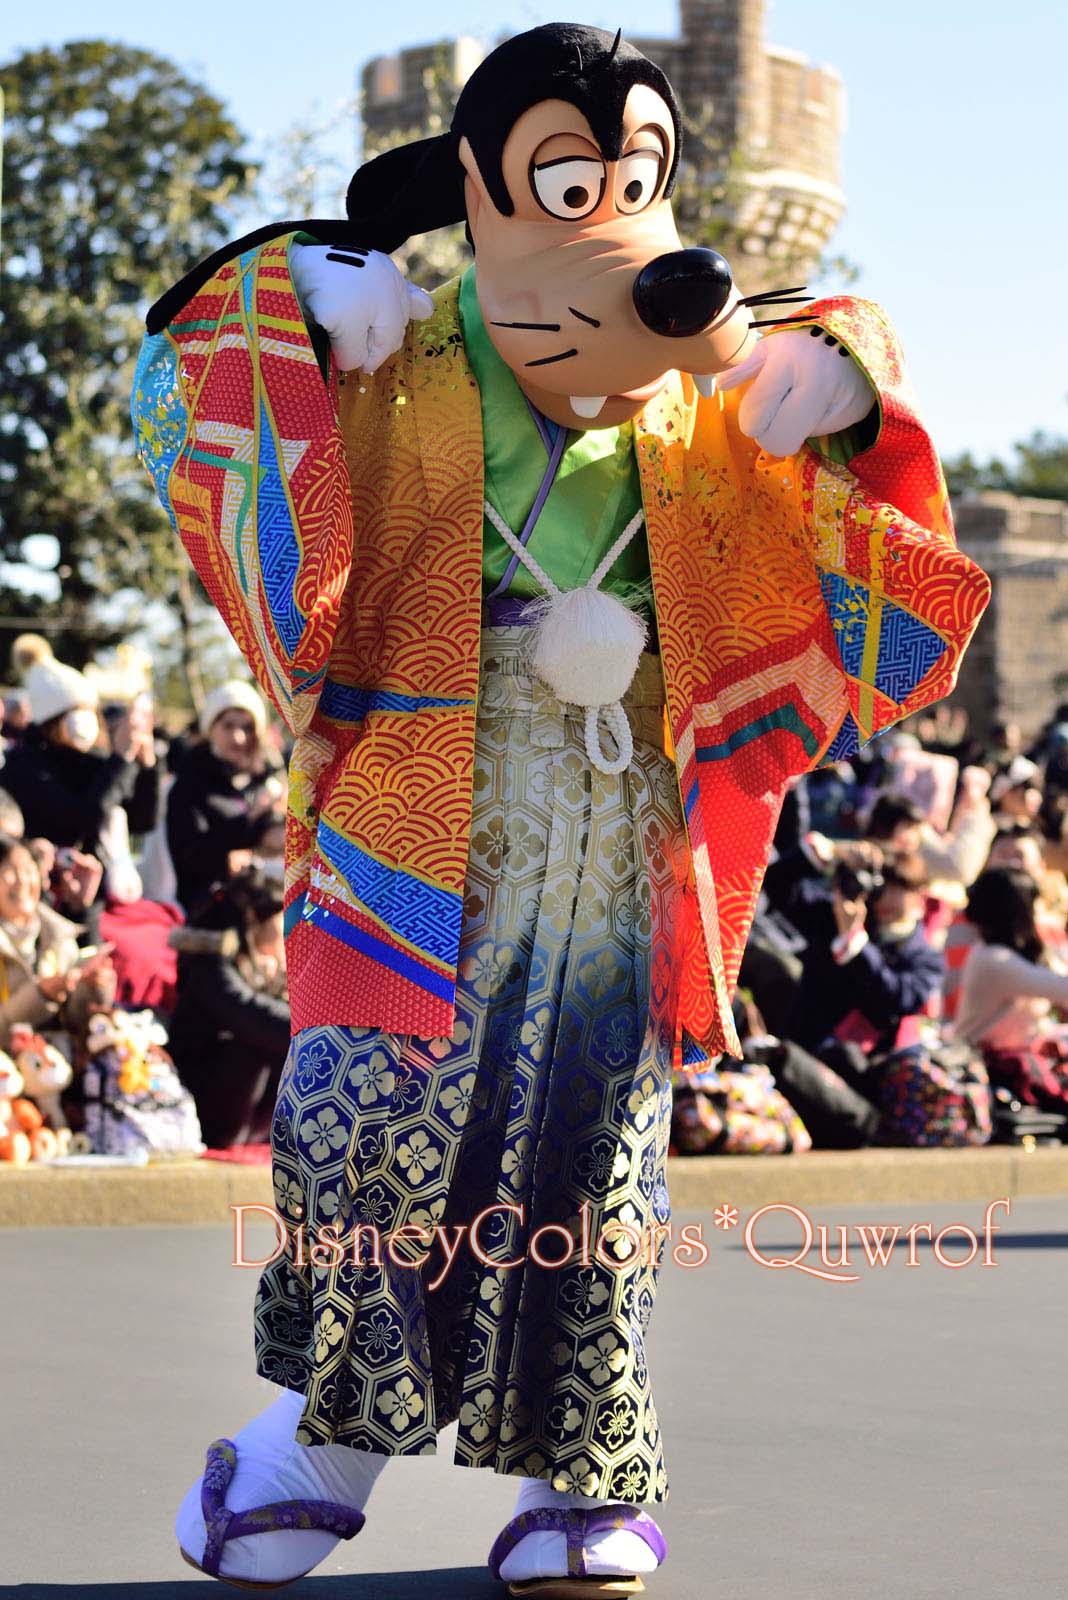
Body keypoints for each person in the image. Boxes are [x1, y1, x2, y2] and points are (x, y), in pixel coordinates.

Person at [133, 23, 990, 1593]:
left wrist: (852, 388)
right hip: (419, 805)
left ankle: (580, 1470)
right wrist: (298, 300)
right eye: (569, 177)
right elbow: (177, 378)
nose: (618, 228)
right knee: (364, 1123)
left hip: (619, 826)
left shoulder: (704, 384)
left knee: (595, 1148)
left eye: (642, 178)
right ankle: (315, 1446)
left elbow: (871, 461)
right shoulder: (398, 345)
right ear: (475, 184)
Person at [0, 636, 159, 895]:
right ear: (51, 723)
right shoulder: (25, 768)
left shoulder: (93, 762)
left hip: (99, 890)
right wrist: (121, 759)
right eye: (74, 713)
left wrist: (148, 765)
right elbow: (82, 817)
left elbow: (143, 820)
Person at [168, 868, 290, 1147]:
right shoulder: (211, 967)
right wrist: (311, 1027)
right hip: (206, 1105)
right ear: (252, 917)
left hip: (246, 1113)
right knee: (260, 1040)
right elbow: (252, 1014)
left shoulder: (262, 964)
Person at [164, 681, 285, 915]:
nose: (238, 737)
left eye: (248, 728)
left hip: (268, 898)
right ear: (211, 727)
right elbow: (189, 854)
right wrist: (252, 816)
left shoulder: (262, 777)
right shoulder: (190, 782)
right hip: (209, 909)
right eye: (228, 726)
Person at [0, 834, 115, 1053]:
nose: (23, 881)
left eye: (28, 870)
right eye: (10, 871)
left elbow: (75, 1022)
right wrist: (39, 995)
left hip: (60, 1069)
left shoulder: (57, 934)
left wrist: (92, 988)